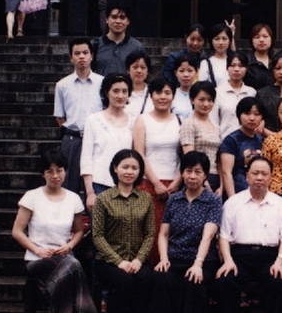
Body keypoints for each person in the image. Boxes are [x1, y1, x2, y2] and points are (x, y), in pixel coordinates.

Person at [12, 150, 114, 313]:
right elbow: (17, 231)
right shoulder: (32, 197)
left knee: (65, 274)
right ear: (43, 174)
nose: (55, 175)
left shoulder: (73, 198)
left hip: (63, 257)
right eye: (49, 171)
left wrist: (69, 246)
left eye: (59, 170)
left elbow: (79, 231)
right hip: (37, 259)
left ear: (65, 171)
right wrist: (38, 250)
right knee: (73, 265)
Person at [213, 156, 282, 313]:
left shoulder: (281, 204)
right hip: (239, 256)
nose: (259, 177)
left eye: (264, 174)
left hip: (270, 257)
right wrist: (228, 260)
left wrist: (280, 261)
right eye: (255, 173)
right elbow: (223, 236)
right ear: (247, 176)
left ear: (271, 177)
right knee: (225, 281)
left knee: (278, 282)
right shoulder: (233, 203)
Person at [150, 151, 221, 313]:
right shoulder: (174, 200)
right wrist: (164, 258)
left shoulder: (212, 201)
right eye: (188, 171)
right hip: (174, 257)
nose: (192, 176)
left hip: (202, 259)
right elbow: (164, 234)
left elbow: (208, 236)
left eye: (198, 172)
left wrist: (198, 264)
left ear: (205, 175)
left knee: (194, 280)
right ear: (182, 173)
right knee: (161, 278)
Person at [92, 149, 155, 313]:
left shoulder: (145, 199)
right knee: (125, 282)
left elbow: (150, 234)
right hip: (108, 261)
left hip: (135, 259)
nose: (129, 171)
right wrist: (118, 261)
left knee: (145, 279)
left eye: (134, 168)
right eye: (125, 167)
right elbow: (97, 236)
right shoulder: (103, 199)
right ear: (115, 169)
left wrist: (139, 259)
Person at [133, 77, 182, 263]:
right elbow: (139, 154)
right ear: (151, 96)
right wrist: (156, 182)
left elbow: (184, 156)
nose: (163, 97)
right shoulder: (142, 120)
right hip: (148, 183)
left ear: (173, 96)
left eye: (167, 93)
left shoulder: (180, 121)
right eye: (158, 92)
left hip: (174, 186)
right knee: (149, 232)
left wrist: (177, 182)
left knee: (172, 230)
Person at [54, 38, 103, 196]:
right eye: (77, 53)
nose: (81, 56)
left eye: (85, 53)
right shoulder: (62, 85)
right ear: (71, 57)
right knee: (69, 186)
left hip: (96, 139)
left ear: (91, 56)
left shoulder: (102, 83)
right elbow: (60, 117)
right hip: (72, 139)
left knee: (95, 185)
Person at [80, 73, 135, 213]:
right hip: (99, 184)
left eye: (124, 91)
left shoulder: (135, 121)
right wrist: (90, 192)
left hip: (127, 186)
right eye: (115, 91)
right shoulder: (93, 120)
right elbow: (86, 158)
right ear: (106, 92)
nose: (120, 96)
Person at [219, 96, 265, 199]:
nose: (252, 118)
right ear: (239, 115)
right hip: (238, 193)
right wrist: (232, 199)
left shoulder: (262, 140)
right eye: (247, 113)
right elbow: (226, 172)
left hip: (258, 195)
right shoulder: (231, 140)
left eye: (256, 114)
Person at [179, 81, 221, 193]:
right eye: (201, 99)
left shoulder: (216, 126)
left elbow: (219, 158)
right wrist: (203, 181)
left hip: (215, 176)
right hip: (197, 178)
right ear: (192, 100)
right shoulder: (189, 123)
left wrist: (222, 185)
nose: (206, 104)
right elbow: (189, 156)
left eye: (210, 100)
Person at [210, 51, 257, 139]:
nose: (236, 69)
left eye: (241, 66)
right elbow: (213, 121)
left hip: (248, 141)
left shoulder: (251, 92)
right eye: (232, 65)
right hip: (225, 140)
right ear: (227, 68)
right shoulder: (218, 92)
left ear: (246, 69)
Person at [92, 3, 146, 76]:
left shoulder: (137, 47)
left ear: (128, 21)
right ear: (107, 20)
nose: (118, 21)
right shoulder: (95, 45)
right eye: (114, 17)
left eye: (122, 18)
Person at [162, 24, 208, 89]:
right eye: (192, 39)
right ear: (186, 37)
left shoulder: (205, 61)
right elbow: (166, 79)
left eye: (199, 40)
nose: (195, 43)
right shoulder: (174, 58)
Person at [199, 22, 237, 88]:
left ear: (229, 41)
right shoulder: (206, 63)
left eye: (224, 39)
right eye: (217, 39)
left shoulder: (235, 62)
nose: (221, 42)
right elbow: (202, 87)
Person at [243, 23, 275, 90]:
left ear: (271, 39)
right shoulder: (246, 62)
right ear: (252, 41)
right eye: (257, 37)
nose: (261, 40)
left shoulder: (277, 60)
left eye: (265, 36)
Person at [124, 50, 155, 118]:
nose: (139, 71)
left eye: (143, 67)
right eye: (135, 67)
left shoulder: (153, 94)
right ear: (128, 70)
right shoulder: (122, 93)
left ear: (147, 71)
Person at [171, 53, 199, 121]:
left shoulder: (200, 94)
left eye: (190, 71)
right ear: (176, 73)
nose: (186, 75)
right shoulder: (171, 95)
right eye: (181, 71)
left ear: (196, 72)